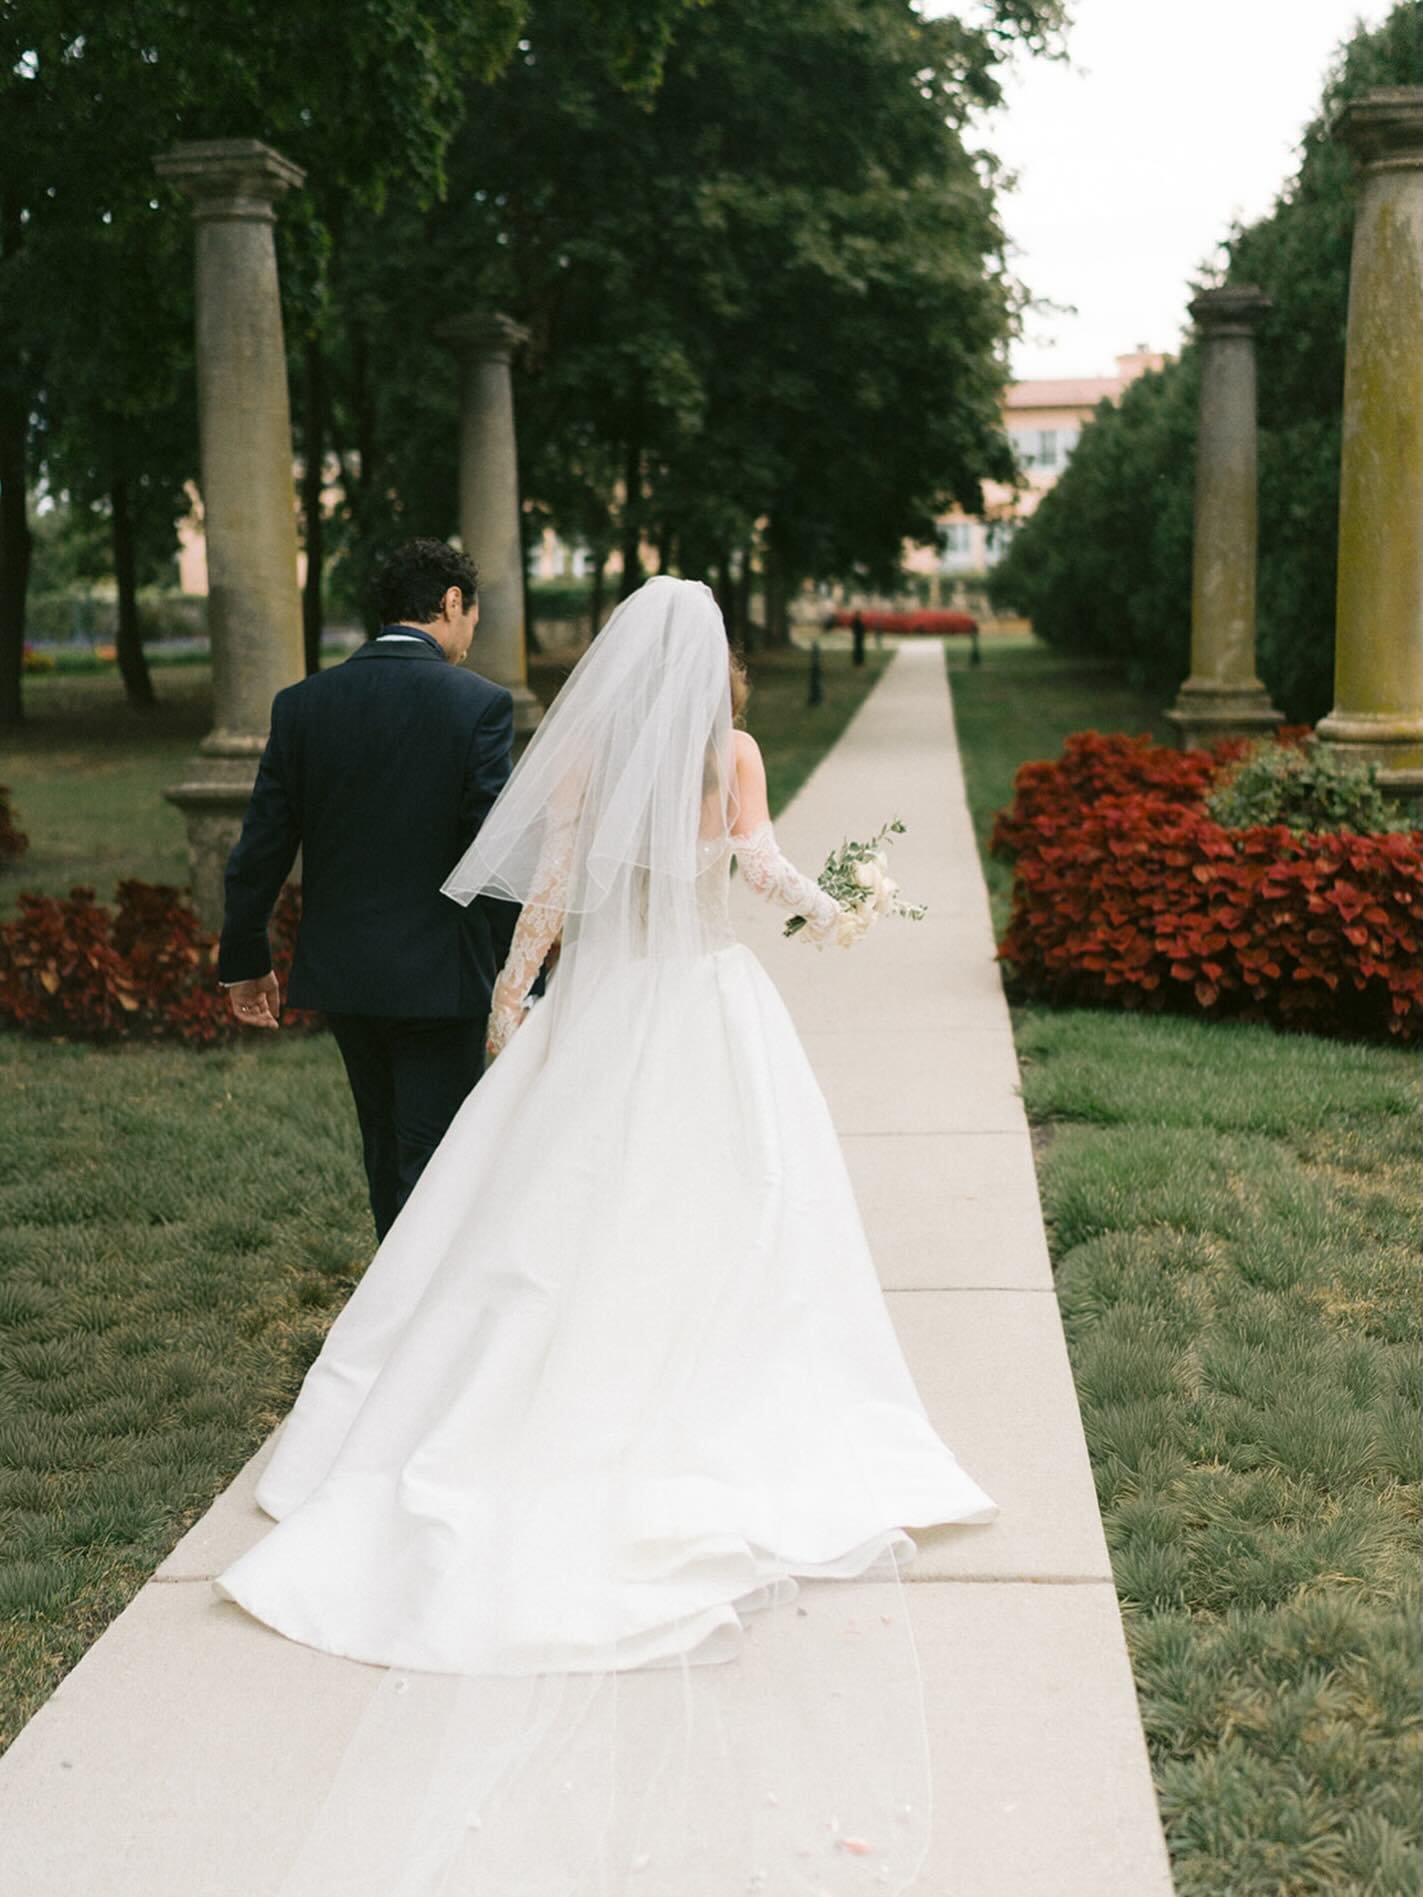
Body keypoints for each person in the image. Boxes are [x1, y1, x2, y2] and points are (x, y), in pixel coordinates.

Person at [213, 575, 999, 1893]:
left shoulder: (581, 753)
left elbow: (550, 901)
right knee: (735, 1216)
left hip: (605, 1013)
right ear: (715, 664)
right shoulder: (728, 755)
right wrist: (830, 910)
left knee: (544, 1223)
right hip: (702, 1005)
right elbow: (754, 870)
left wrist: (513, 1004)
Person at [216, 537, 519, 1241]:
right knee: (436, 1154)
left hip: (348, 971)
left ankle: (394, 1307)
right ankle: (419, 1322)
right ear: (449, 602)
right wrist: (513, 972)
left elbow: (260, 846)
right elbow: (493, 854)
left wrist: (245, 958)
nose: (473, 632)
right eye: (472, 614)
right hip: (443, 976)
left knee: (384, 1146)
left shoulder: (303, 704)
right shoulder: (479, 706)